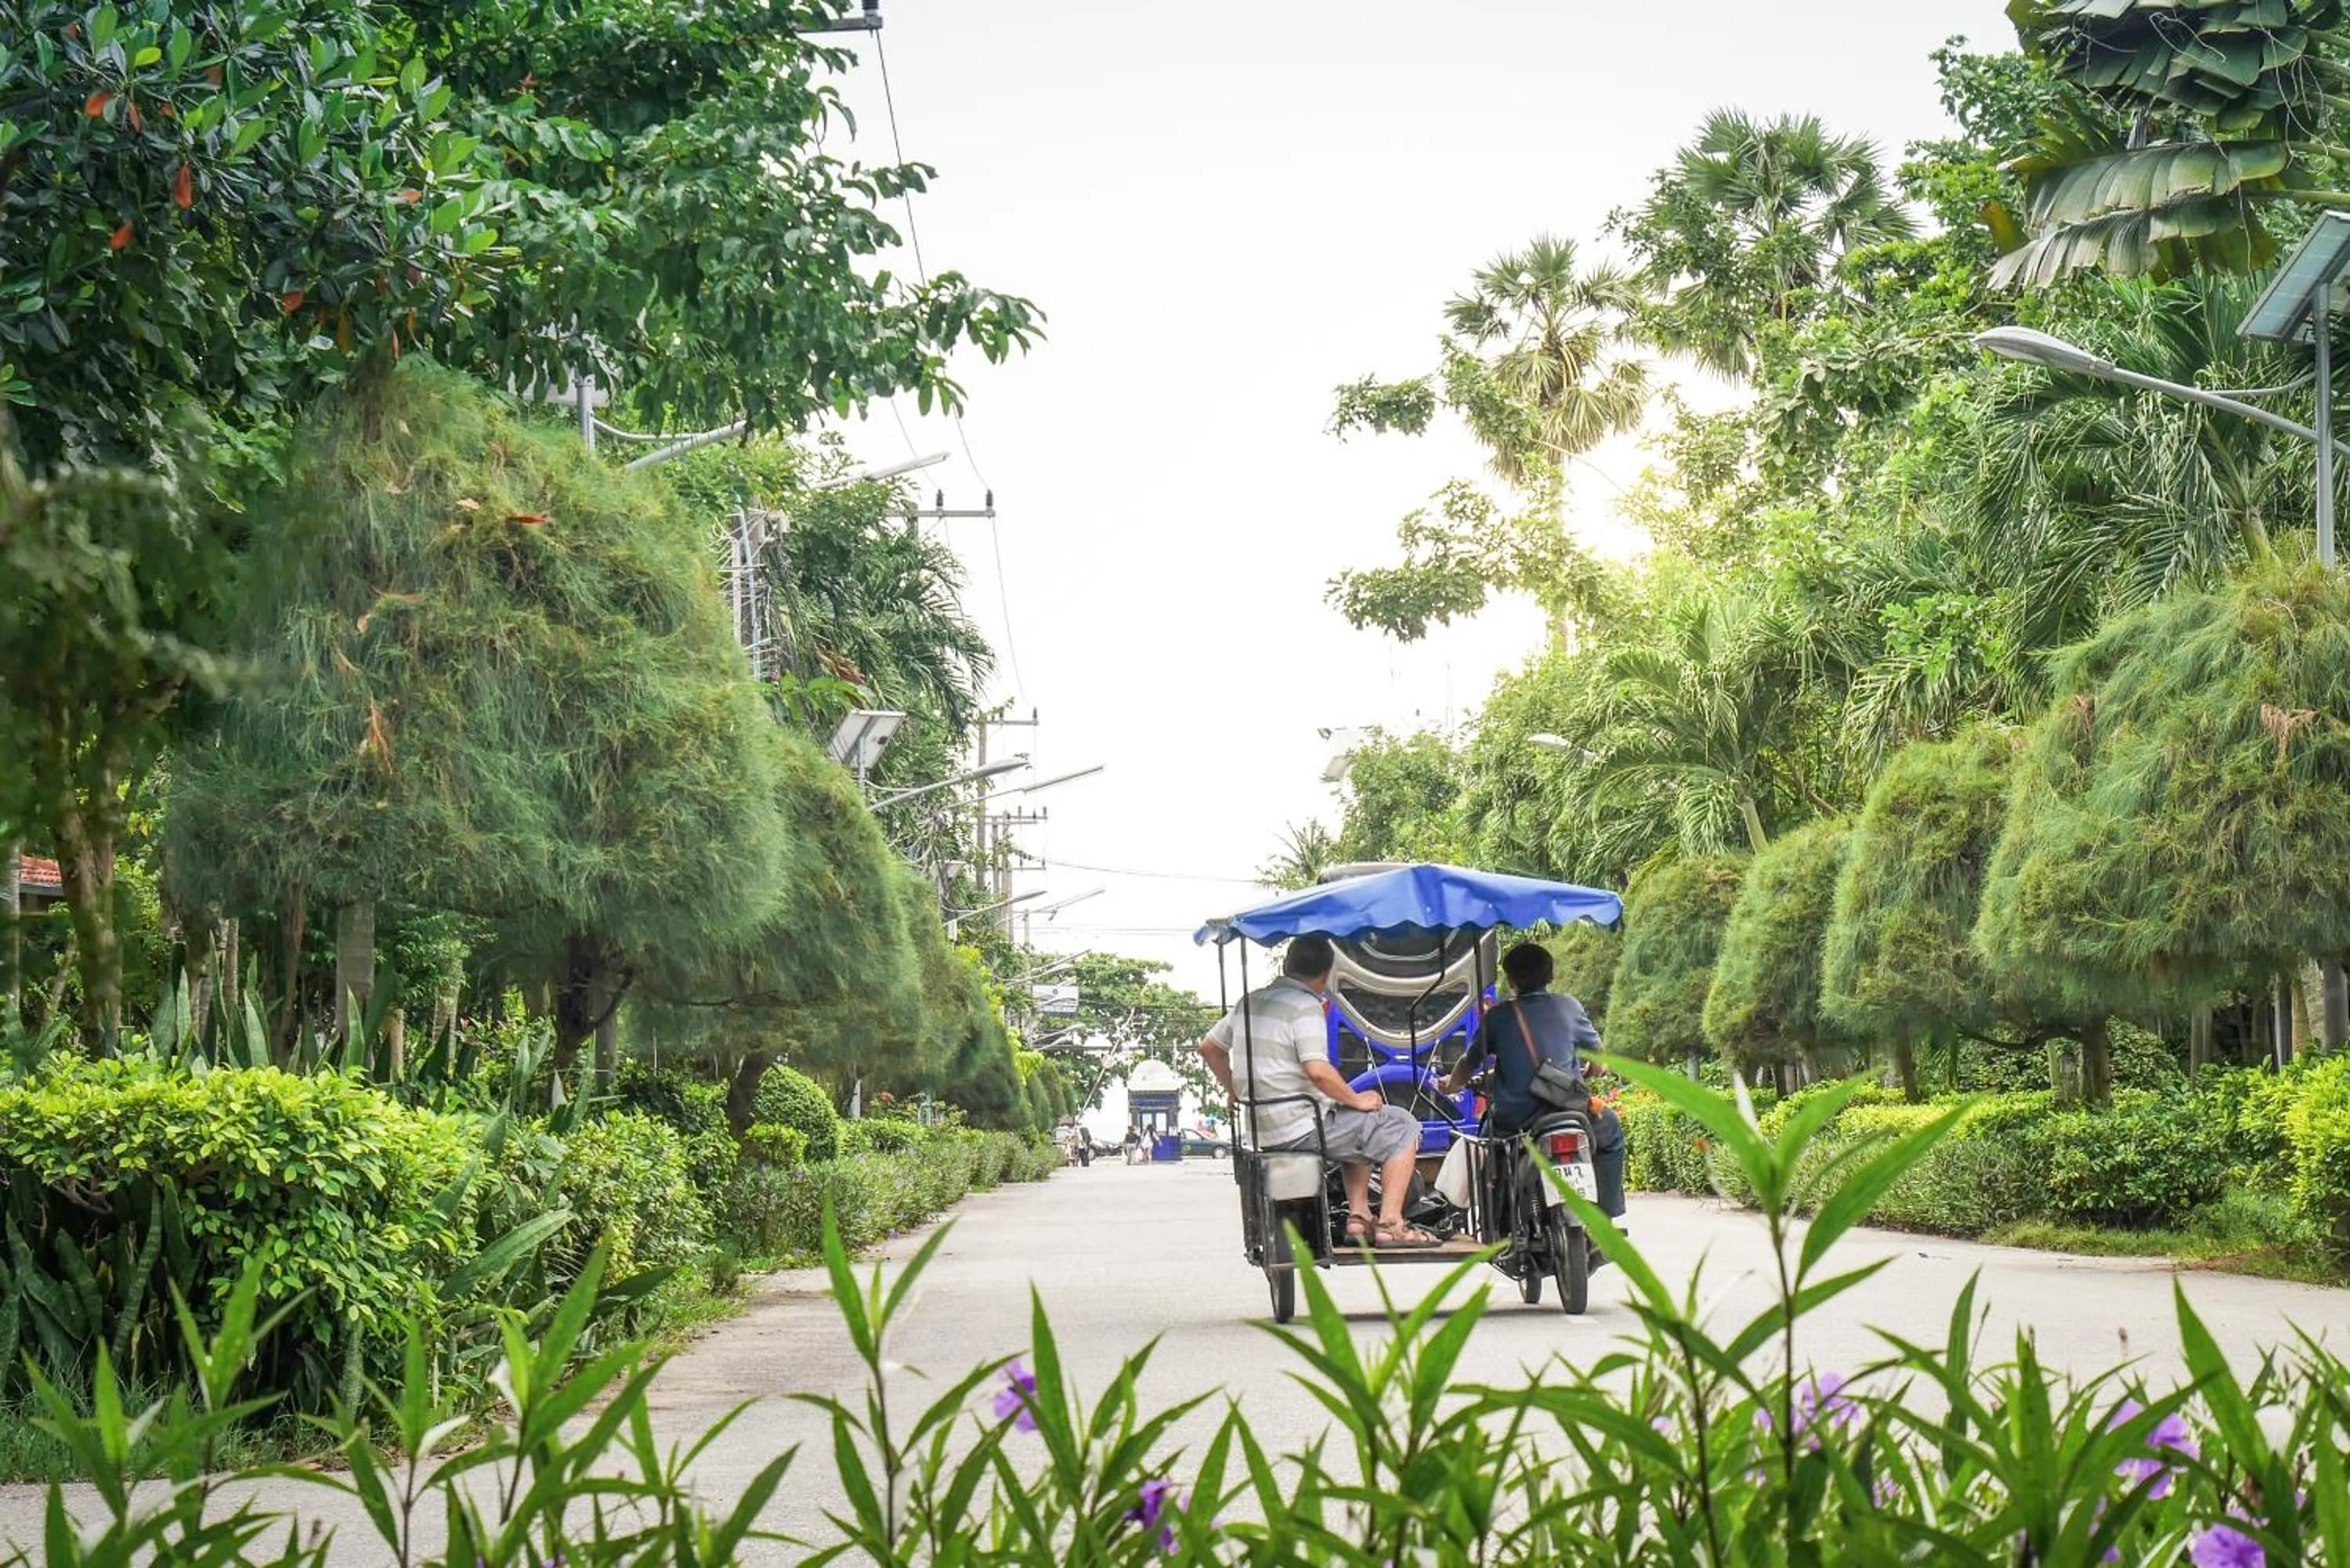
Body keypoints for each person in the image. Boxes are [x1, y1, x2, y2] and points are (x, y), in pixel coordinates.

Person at [1197, 934, 1441, 1248]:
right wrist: (1356, 1098)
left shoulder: (1249, 1002)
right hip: (1301, 1127)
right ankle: (1391, 1225)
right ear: (1326, 975)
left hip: (1261, 1129)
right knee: (1401, 1124)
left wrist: (1233, 1089)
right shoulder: (1306, 1006)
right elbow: (1318, 1071)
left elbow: (1209, 1048)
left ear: (1286, 966)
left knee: (1360, 1121)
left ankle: (1358, 1217)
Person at [1441, 940, 1627, 1219]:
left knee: (1486, 1144)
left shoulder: (1498, 1017)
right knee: (1612, 1134)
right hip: (1570, 1113)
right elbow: (1599, 1060)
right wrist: (1588, 1073)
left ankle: (1496, 1219)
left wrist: (1451, 1084)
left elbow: (1469, 1063)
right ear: (1550, 975)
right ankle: (1608, 1216)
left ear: (1512, 980)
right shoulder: (1570, 1007)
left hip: (1515, 1122)